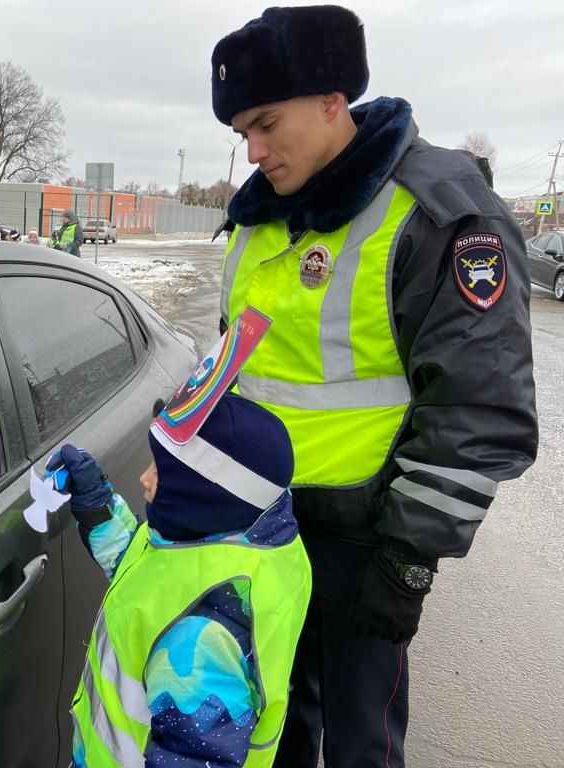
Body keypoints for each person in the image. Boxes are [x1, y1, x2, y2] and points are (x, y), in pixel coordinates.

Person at [210, 6, 538, 766]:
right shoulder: (260, 220)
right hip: (262, 531)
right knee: (272, 729)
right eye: (241, 136)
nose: (255, 151)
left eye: (266, 123)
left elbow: (480, 408)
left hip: (367, 541)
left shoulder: (438, 211)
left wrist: (408, 560)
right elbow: (237, 362)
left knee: (362, 745)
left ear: (333, 102)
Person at [48, 392, 311, 767]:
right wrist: (97, 505)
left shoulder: (201, 638)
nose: (144, 477)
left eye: (160, 470)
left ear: (204, 493)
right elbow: (149, 574)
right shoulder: (236, 540)